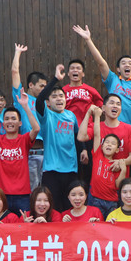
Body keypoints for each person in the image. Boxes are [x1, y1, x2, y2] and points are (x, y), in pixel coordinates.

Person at [72, 24, 131, 130]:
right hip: (113, 130)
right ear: (118, 69)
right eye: (123, 63)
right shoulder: (113, 80)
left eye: (130, 63)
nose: (127, 65)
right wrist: (88, 40)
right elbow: (101, 63)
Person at [0, 91, 40, 215]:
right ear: (3, 123)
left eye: (13, 119)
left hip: (22, 194)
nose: (10, 121)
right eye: (6, 119)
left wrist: (25, 106)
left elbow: (36, 129)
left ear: (20, 123)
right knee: (2, 224)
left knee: (24, 224)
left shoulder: (24, 139)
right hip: (1, 194)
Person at [35, 66, 83, 212]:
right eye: (54, 96)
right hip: (52, 170)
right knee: (53, 208)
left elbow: (77, 137)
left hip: (71, 169)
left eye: (61, 96)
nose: (59, 99)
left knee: (71, 207)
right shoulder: (46, 116)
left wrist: (84, 151)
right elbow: (39, 100)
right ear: (48, 102)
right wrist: (55, 79)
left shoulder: (71, 116)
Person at [10, 43, 48, 189]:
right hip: (30, 152)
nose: (44, 89)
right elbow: (14, 72)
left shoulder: (46, 103)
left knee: (45, 192)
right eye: (41, 86)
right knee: (31, 190)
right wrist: (17, 53)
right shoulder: (22, 98)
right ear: (31, 85)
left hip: (47, 153)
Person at [78, 93, 131, 173]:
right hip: (99, 176)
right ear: (103, 108)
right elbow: (81, 137)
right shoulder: (96, 126)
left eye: (118, 104)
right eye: (112, 103)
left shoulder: (130, 129)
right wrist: (88, 113)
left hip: (120, 178)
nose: (115, 106)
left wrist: (121, 162)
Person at [88, 107, 127, 218]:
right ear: (102, 145)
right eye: (107, 142)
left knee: (111, 226)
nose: (109, 144)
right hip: (95, 199)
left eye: (113, 144)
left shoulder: (116, 164)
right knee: (94, 225)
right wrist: (97, 116)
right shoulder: (98, 155)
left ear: (117, 150)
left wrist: (123, 169)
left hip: (112, 202)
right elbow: (97, 135)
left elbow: (118, 185)